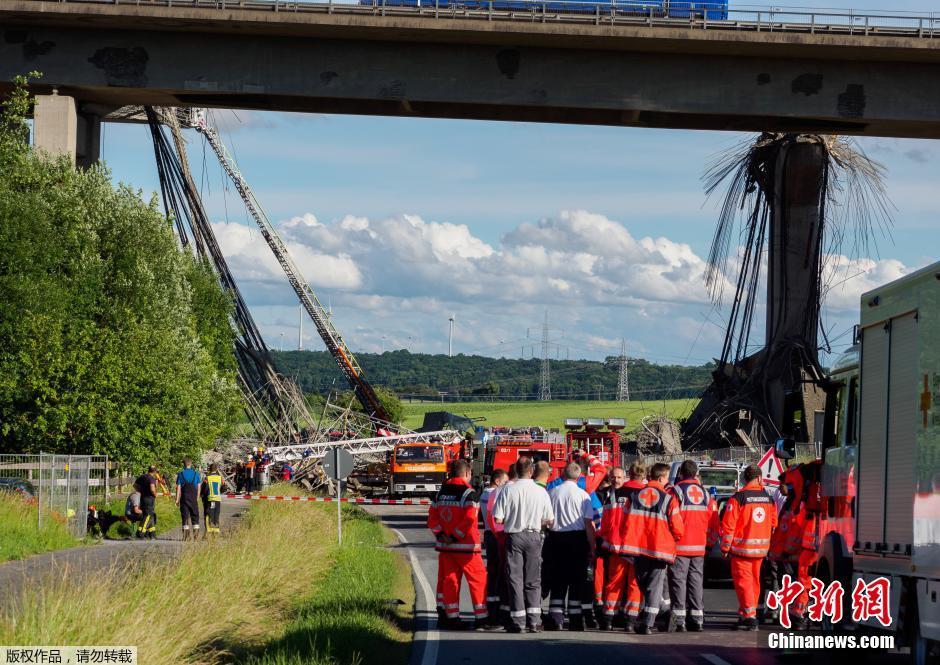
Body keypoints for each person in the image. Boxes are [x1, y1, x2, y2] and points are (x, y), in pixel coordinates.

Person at [493, 456, 554, 633]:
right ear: (531, 471)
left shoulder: (507, 490)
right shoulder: (541, 491)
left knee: (515, 579)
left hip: (515, 536)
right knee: (533, 580)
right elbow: (549, 520)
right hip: (534, 536)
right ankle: (534, 621)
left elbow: (498, 518)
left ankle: (518, 621)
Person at [427, 459, 490, 630]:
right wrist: (455, 536)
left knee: (450, 581)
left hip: (446, 548)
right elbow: (469, 519)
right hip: (467, 548)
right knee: (478, 580)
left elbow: (432, 519)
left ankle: (452, 617)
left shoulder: (440, 493)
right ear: (467, 473)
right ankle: (481, 617)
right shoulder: (469, 494)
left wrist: (442, 535)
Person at [621, 463, 684, 634]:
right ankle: (650, 622)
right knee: (653, 588)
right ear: (662, 478)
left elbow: (624, 521)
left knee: (645, 586)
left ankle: (654, 617)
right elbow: (678, 528)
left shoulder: (634, 495)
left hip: (638, 549)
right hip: (659, 549)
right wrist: (672, 539)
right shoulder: (669, 499)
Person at [720, 464, 778, 631]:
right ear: (759, 478)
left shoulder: (738, 498)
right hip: (761, 550)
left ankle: (750, 617)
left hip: (741, 550)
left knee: (743, 583)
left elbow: (729, 525)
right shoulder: (769, 499)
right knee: (754, 583)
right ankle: (745, 614)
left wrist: (725, 548)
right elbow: (774, 524)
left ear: (745, 478)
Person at [668, 461, 718, 632]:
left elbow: (672, 516)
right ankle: (697, 620)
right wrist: (710, 543)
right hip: (699, 546)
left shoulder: (676, 491)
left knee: (678, 582)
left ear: (680, 473)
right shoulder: (706, 493)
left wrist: (674, 538)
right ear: (696, 473)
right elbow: (714, 520)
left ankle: (678, 621)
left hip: (680, 545)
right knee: (696, 581)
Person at [545, 462, 596, 631]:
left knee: (557, 579)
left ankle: (555, 618)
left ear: (562, 475)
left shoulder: (551, 493)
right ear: (579, 476)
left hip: (555, 539)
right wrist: (592, 545)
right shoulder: (584, 496)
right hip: (577, 540)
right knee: (576, 581)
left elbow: (547, 520)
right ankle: (575, 619)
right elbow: (589, 524)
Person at [480, 469, 509, 624]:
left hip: (488, 534)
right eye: (505, 481)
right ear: (497, 481)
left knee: (492, 571)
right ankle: (501, 607)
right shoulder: (495, 494)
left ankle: (492, 606)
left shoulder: (484, 494)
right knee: (501, 571)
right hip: (497, 534)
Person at [175, 458, 202, 541]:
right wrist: (197, 497)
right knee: (195, 516)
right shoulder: (196, 474)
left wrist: (177, 499)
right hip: (193, 498)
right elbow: (199, 487)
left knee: (185, 516)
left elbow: (178, 488)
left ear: (184, 464)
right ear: (191, 464)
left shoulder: (180, 474)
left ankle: (186, 537)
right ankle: (196, 536)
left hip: (184, 498)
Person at [135, 466, 159, 539]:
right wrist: (155, 494)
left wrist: (141, 491)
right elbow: (152, 488)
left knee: (150, 515)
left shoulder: (142, 477)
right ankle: (140, 532)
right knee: (147, 516)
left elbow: (135, 485)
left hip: (143, 498)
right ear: (154, 472)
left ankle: (152, 533)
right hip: (149, 499)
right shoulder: (151, 478)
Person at [202, 463, 224, 537]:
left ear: (209, 469)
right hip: (217, 499)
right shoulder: (220, 478)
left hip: (210, 499)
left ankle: (207, 533)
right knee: (216, 515)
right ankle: (216, 532)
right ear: (216, 469)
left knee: (208, 516)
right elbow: (223, 488)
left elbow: (204, 489)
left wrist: (202, 497)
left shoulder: (207, 478)